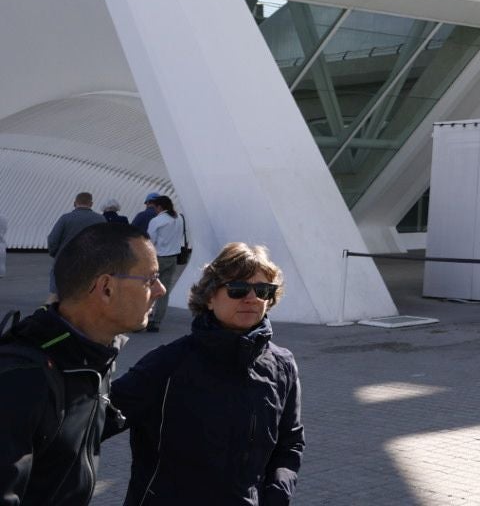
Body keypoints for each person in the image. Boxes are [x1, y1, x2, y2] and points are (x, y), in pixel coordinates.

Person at [107, 242, 302, 505]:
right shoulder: (167, 364)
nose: (252, 298)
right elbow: (93, 424)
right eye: (238, 289)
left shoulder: (282, 365)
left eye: (263, 290)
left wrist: (277, 495)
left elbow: (289, 444)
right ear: (209, 298)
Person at [0, 223, 163, 506]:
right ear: (106, 288)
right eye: (150, 279)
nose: (160, 289)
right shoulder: (22, 379)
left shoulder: (92, 359)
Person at [46, 193, 105, 299]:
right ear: (91, 204)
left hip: (64, 262)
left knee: (55, 296)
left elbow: (52, 240)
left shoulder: (65, 218)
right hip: (90, 264)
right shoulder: (100, 219)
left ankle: (49, 314)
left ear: (74, 203)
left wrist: (55, 254)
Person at [144, 196, 187, 333]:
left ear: (159, 207)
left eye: (155, 207)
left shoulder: (157, 221)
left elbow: (149, 241)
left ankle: (143, 316)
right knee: (164, 290)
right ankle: (157, 321)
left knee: (147, 288)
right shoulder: (179, 218)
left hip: (157, 258)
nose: (154, 210)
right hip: (173, 258)